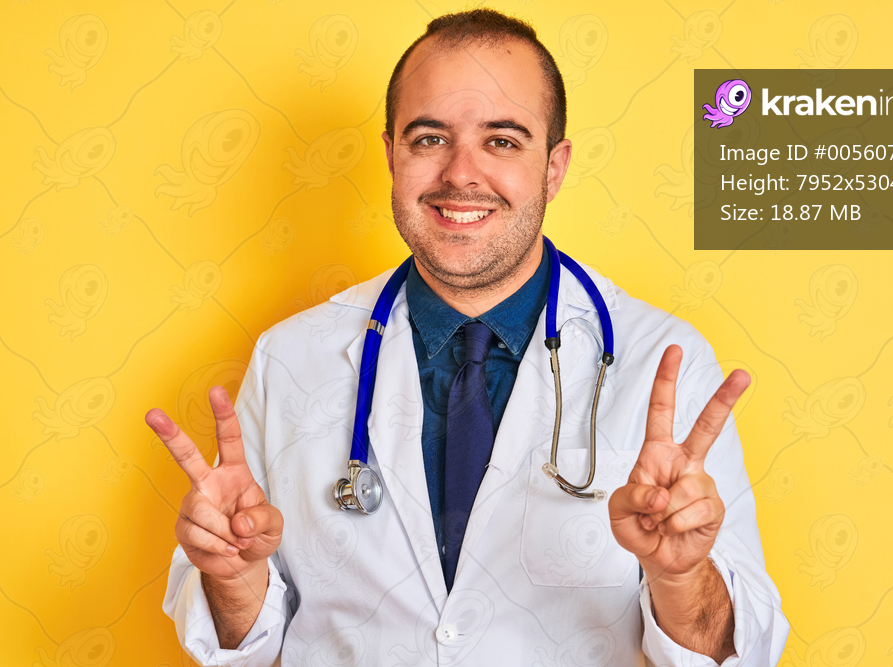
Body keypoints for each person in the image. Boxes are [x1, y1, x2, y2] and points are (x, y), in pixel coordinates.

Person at [150, 9, 790, 666]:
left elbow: (735, 654)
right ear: (392, 153)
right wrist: (232, 579)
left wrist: (681, 578)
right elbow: (245, 647)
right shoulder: (291, 359)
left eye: (503, 141)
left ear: (554, 166)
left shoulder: (663, 360)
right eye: (429, 138)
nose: (461, 173)